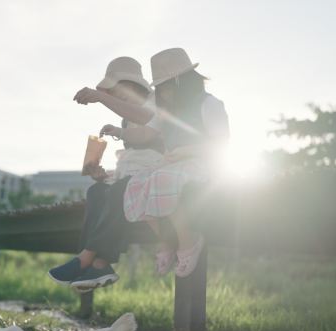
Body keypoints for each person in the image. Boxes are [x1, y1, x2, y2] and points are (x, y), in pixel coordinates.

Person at [74, 48, 229, 277]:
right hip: (175, 165)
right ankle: (165, 242)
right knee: (134, 186)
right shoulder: (168, 109)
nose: (161, 92)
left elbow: (222, 144)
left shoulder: (207, 103)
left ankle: (188, 242)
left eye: (164, 87)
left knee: (158, 179)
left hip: (201, 166)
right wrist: (119, 133)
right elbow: (145, 134)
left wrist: (188, 151)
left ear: (179, 82)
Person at [48, 57, 164, 291]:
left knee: (121, 191)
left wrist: (103, 99)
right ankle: (98, 263)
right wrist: (103, 175)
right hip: (132, 178)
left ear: (133, 86)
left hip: (158, 176)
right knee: (97, 191)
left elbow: (147, 136)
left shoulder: (155, 105)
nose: (114, 95)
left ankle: (88, 260)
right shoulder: (126, 117)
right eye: (110, 91)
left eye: (117, 90)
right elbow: (132, 164)